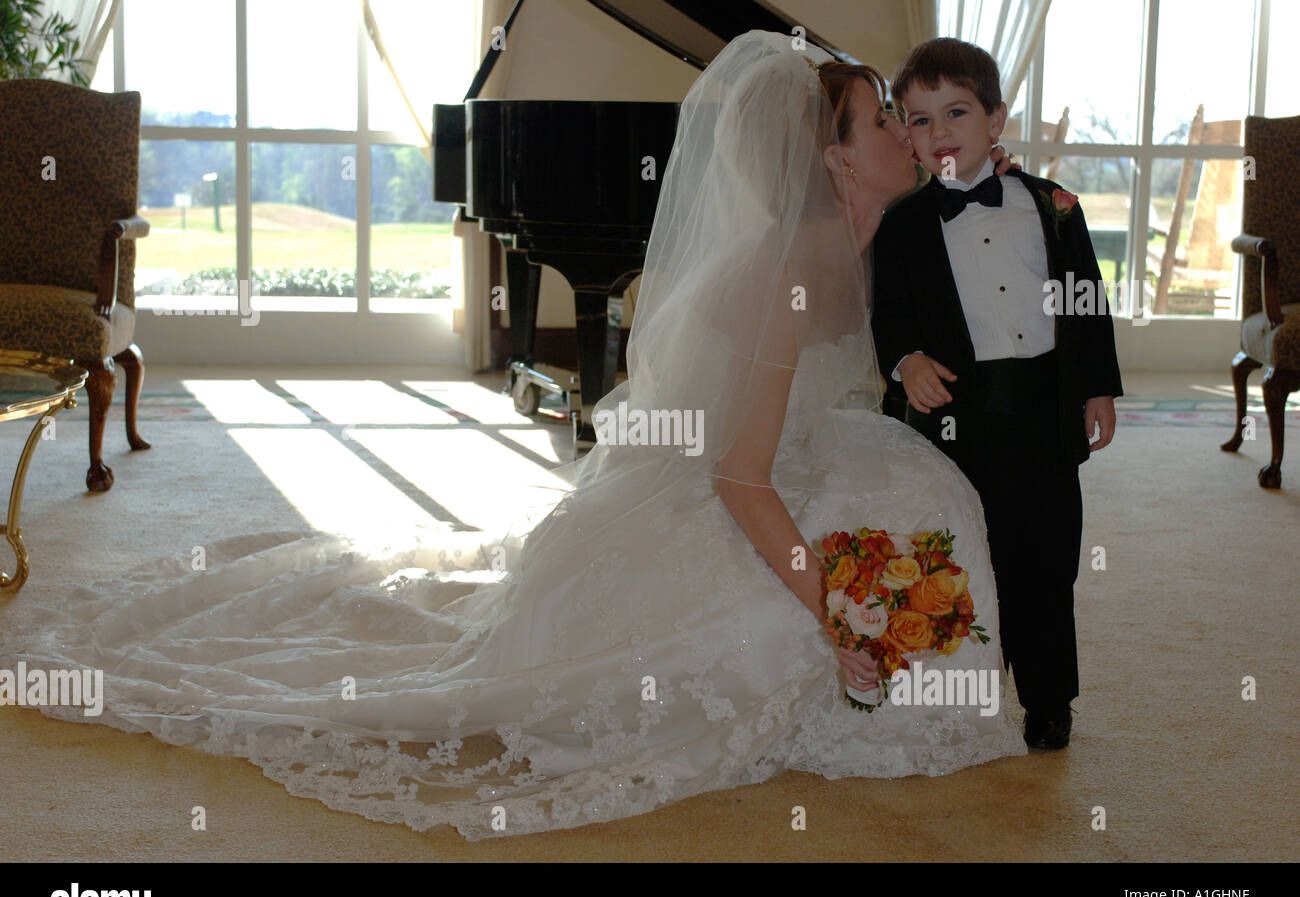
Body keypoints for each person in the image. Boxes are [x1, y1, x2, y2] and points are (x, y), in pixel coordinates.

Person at [0, 31, 1026, 842]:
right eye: (882, 116)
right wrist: (833, 604)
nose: (907, 128)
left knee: (921, 486)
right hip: (724, 489)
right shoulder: (788, 266)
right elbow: (737, 476)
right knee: (802, 592)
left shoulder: (874, 221)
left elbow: (984, 215)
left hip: (791, 453)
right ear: (832, 159)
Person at [870, 38, 1124, 750]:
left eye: (955, 112)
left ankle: (1049, 698)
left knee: (1047, 559)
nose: (940, 131)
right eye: (920, 121)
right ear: (909, 138)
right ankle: (967, 698)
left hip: (1044, 404)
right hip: (959, 413)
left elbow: (1085, 301)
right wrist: (906, 359)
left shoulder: (1055, 204)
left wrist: (1097, 388)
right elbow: (886, 313)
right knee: (963, 558)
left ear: (996, 120)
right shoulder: (903, 226)